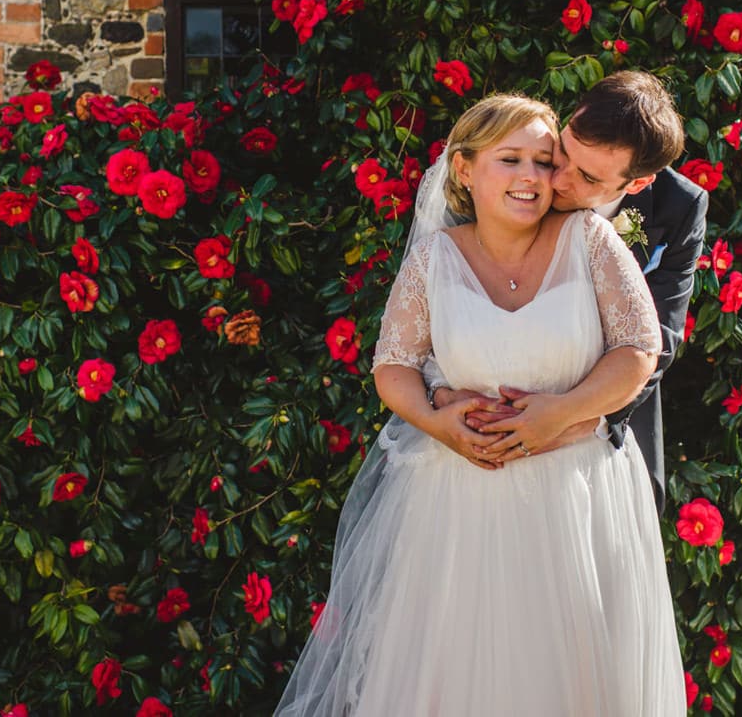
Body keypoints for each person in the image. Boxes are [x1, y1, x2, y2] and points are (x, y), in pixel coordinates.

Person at [274, 94, 684, 716]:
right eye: (510, 159)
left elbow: (640, 347)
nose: (533, 176)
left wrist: (565, 412)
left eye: (544, 162)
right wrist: (436, 421)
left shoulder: (592, 237)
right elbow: (393, 365)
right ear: (464, 169)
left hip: (574, 497)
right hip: (456, 501)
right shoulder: (435, 257)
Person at [430, 70, 708, 510]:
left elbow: (659, 337)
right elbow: (441, 298)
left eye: (589, 180)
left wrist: (581, 417)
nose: (556, 181)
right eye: (562, 155)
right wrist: (440, 395)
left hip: (596, 436)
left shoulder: (678, 207)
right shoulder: (509, 169)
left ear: (636, 184)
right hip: (481, 430)